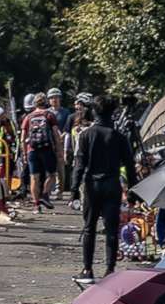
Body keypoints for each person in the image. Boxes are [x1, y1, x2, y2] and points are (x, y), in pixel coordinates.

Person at [70, 99, 135, 285]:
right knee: (112, 230)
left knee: (89, 228)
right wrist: (132, 191)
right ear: (112, 113)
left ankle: (87, 269)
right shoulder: (120, 137)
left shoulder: (86, 135)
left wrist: (74, 190)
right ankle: (109, 270)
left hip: (92, 185)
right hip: (112, 185)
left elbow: (79, 166)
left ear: (94, 113)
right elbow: (130, 166)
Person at [20, 92, 59, 209]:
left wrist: (24, 153)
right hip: (47, 148)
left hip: (32, 149)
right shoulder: (49, 115)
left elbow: (22, 138)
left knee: (34, 177)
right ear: (46, 102)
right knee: (52, 175)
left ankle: (36, 205)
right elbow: (56, 134)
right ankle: (45, 195)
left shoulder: (28, 117)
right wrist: (59, 150)